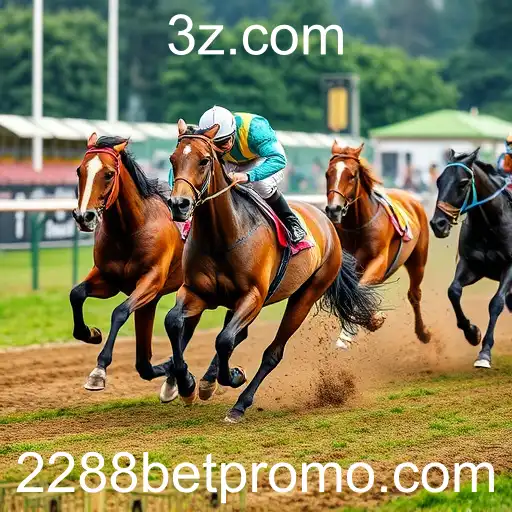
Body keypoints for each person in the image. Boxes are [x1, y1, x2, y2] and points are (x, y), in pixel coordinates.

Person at [197, 106, 306, 243]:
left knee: (261, 185)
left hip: (261, 158)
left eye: (224, 142)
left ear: (233, 132)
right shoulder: (201, 136)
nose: (221, 148)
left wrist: (248, 176)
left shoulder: (255, 129)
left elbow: (278, 159)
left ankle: (291, 221)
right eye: (216, 144)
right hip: (231, 162)